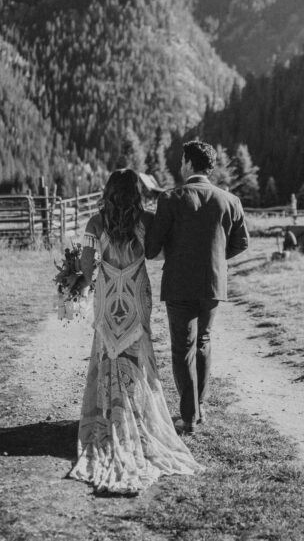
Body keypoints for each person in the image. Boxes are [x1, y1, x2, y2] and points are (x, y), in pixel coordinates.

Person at [68, 169, 201, 496]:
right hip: (137, 294)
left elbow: (87, 268)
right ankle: (138, 414)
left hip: (108, 293)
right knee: (137, 355)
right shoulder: (148, 220)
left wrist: (84, 277)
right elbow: (157, 253)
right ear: (137, 192)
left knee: (107, 352)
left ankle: (108, 415)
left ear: (108, 191)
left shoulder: (94, 224)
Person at [145, 140, 249, 435]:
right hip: (213, 283)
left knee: (182, 347)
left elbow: (152, 249)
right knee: (203, 342)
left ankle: (189, 416)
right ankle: (199, 408)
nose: (180, 166)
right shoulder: (230, 200)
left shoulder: (170, 198)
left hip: (179, 283)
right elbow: (242, 243)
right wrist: (214, 258)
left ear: (189, 164)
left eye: (181, 161)